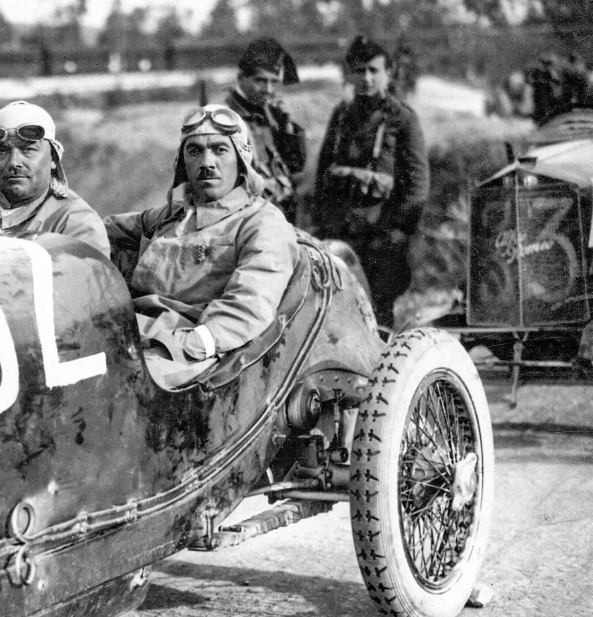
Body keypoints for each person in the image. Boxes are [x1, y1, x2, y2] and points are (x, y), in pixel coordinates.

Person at [105, 104, 301, 388]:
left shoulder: (261, 223)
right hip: (132, 331)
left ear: (241, 159)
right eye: (195, 151)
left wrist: (190, 344)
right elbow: (100, 230)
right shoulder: (170, 215)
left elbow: (248, 305)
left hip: (191, 355)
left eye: (220, 150)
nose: (207, 162)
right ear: (182, 162)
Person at [310, 35, 429, 328]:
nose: (367, 78)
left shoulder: (402, 119)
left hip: (381, 236)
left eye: (374, 70)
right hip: (342, 234)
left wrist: (399, 230)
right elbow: (324, 174)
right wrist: (321, 224)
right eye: (360, 70)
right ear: (349, 73)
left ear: (388, 73)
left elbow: (417, 183)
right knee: (335, 315)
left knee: (378, 315)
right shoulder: (341, 116)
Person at [0, 101, 109, 257]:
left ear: (53, 159)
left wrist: (4, 246)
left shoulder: (76, 223)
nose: (14, 162)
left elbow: (83, 279)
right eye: (2, 151)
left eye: (28, 149)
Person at [223, 37, 307, 223]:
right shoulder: (225, 119)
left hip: (280, 216)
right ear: (240, 78)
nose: (268, 89)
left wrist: (287, 126)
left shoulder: (272, 115)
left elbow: (296, 166)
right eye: (260, 81)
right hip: (249, 222)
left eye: (273, 82)